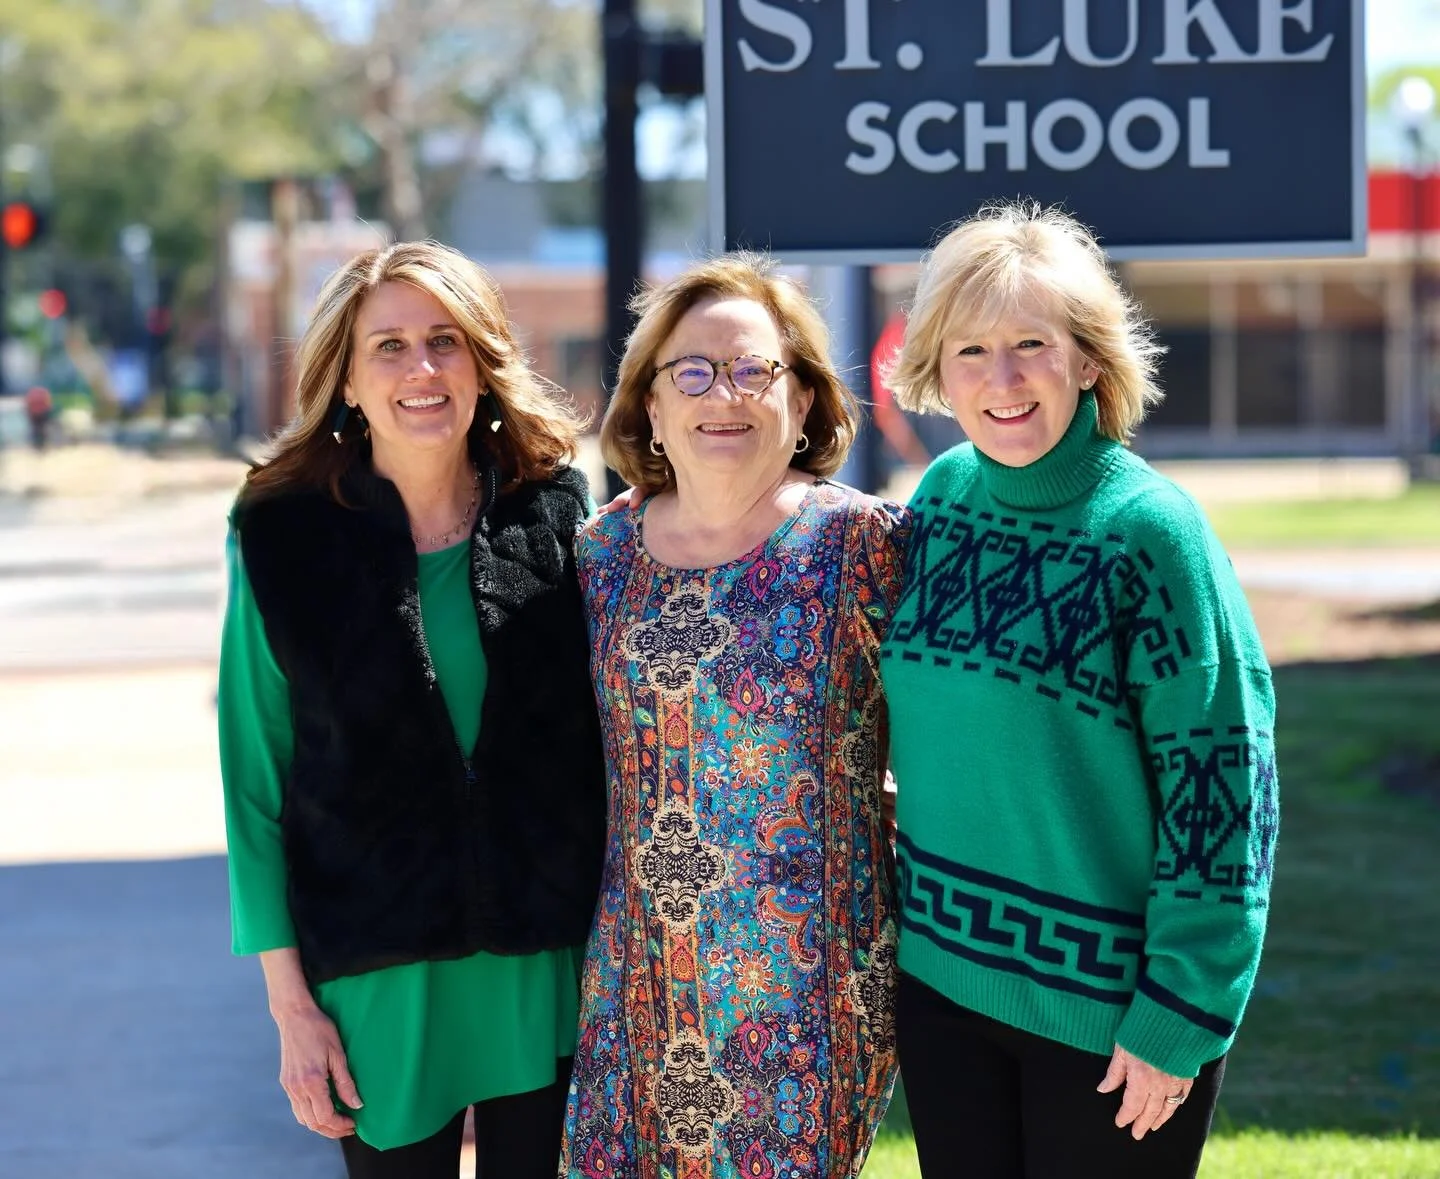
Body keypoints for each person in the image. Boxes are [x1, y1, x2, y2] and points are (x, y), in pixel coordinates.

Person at [878, 201, 1279, 1178]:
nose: (1002, 380)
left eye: (1031, 344)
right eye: (970, 350)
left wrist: (1182, 1010)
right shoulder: (940, 499)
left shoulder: (1152, 532)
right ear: (937, 364)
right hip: (941, 981)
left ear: (1090, 359)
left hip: (1108, 1018)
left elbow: (1224, 783)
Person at [218, 240, 607, 1178]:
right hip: (378, 970)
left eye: (445, 340)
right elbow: (254, 784)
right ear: (348, 380)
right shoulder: (280, 536)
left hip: (538, 962)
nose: (421, 368)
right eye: (388, 346)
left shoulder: (555, 511)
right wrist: (291, 1007)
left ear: (483, 362)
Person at [559, 253, 908, 1178]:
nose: (726, 393)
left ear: (803, 403)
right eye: (695, 372)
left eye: (756, 369)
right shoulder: (596, 558)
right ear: (652, 407)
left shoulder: (865, 544)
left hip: (806, 996)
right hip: (632, 982)